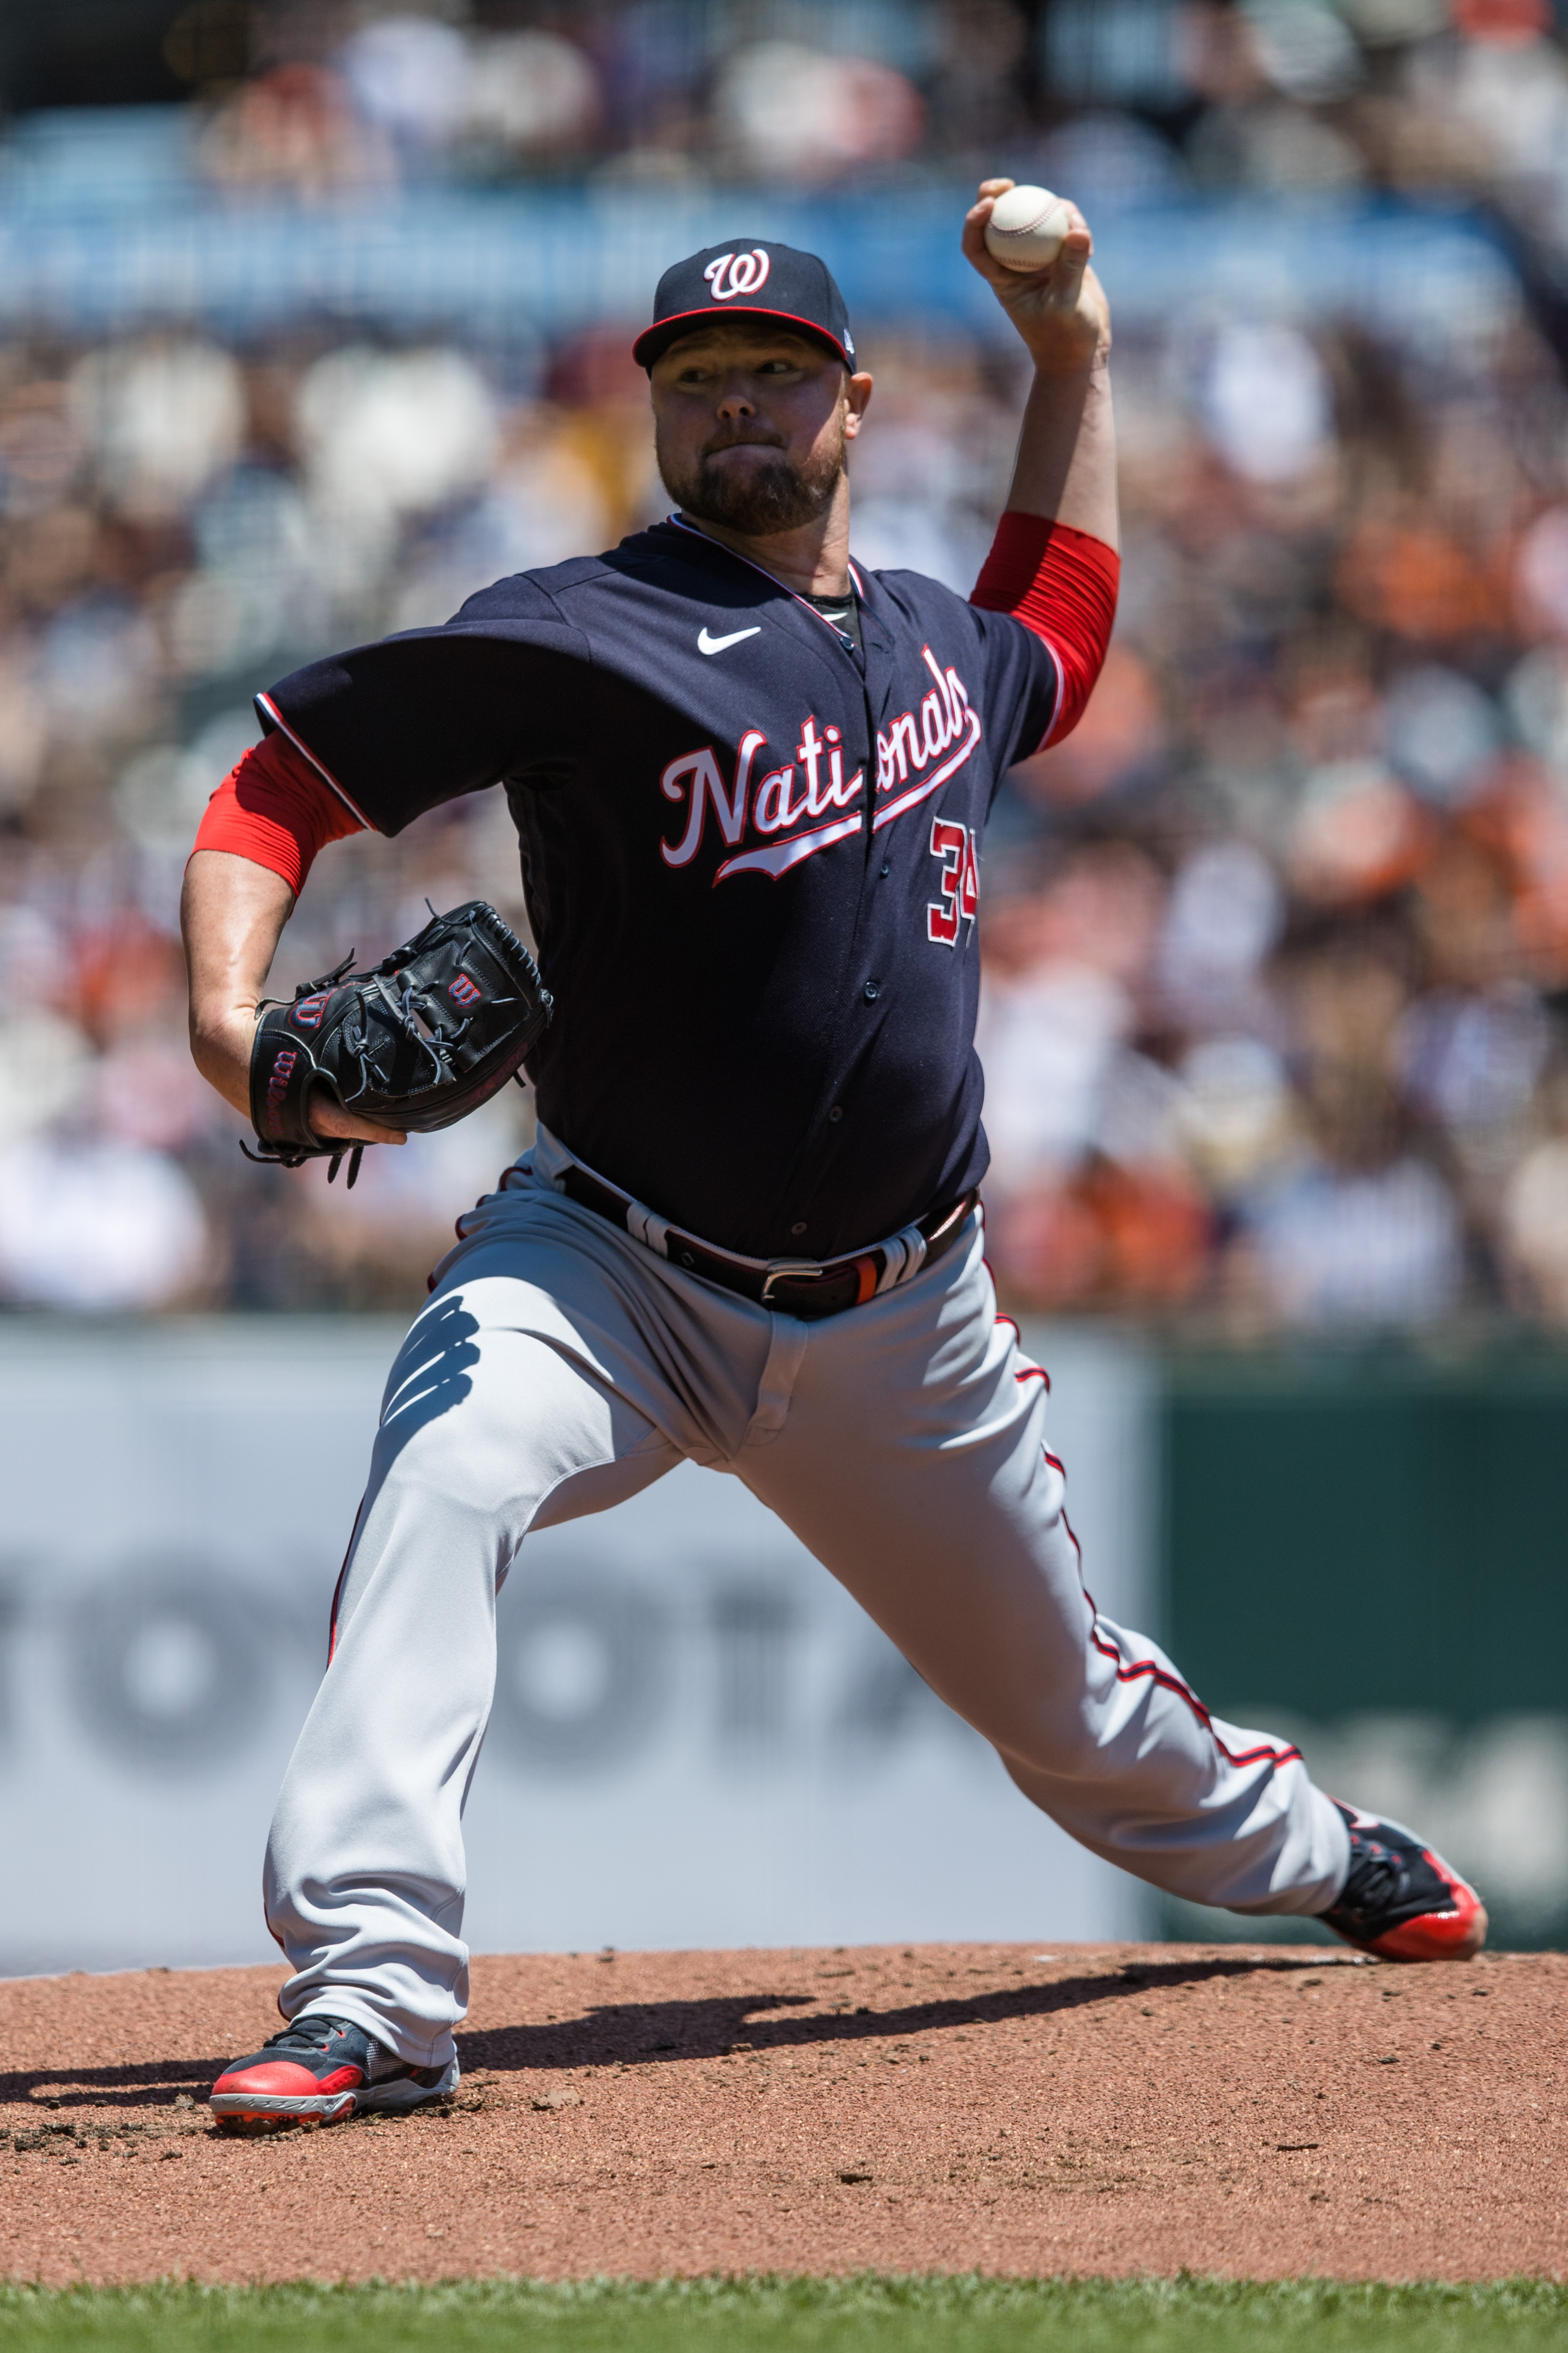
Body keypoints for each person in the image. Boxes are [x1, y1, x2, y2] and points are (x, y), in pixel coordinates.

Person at [185, 189, 1485, 2129]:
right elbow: (279, 776)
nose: (735, 413)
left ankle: (1311, 1856)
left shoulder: (943, 655)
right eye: (697, 381)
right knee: (446, 1466)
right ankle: (371, 1991)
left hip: (901, 1315)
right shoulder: (577, 633)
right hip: (609, 1265)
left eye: (773, 378)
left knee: (1068, 1713)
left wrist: (1075, 361)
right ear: (653, 411)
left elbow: (1062, 619)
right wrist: (229, 1026)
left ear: (853, 403)